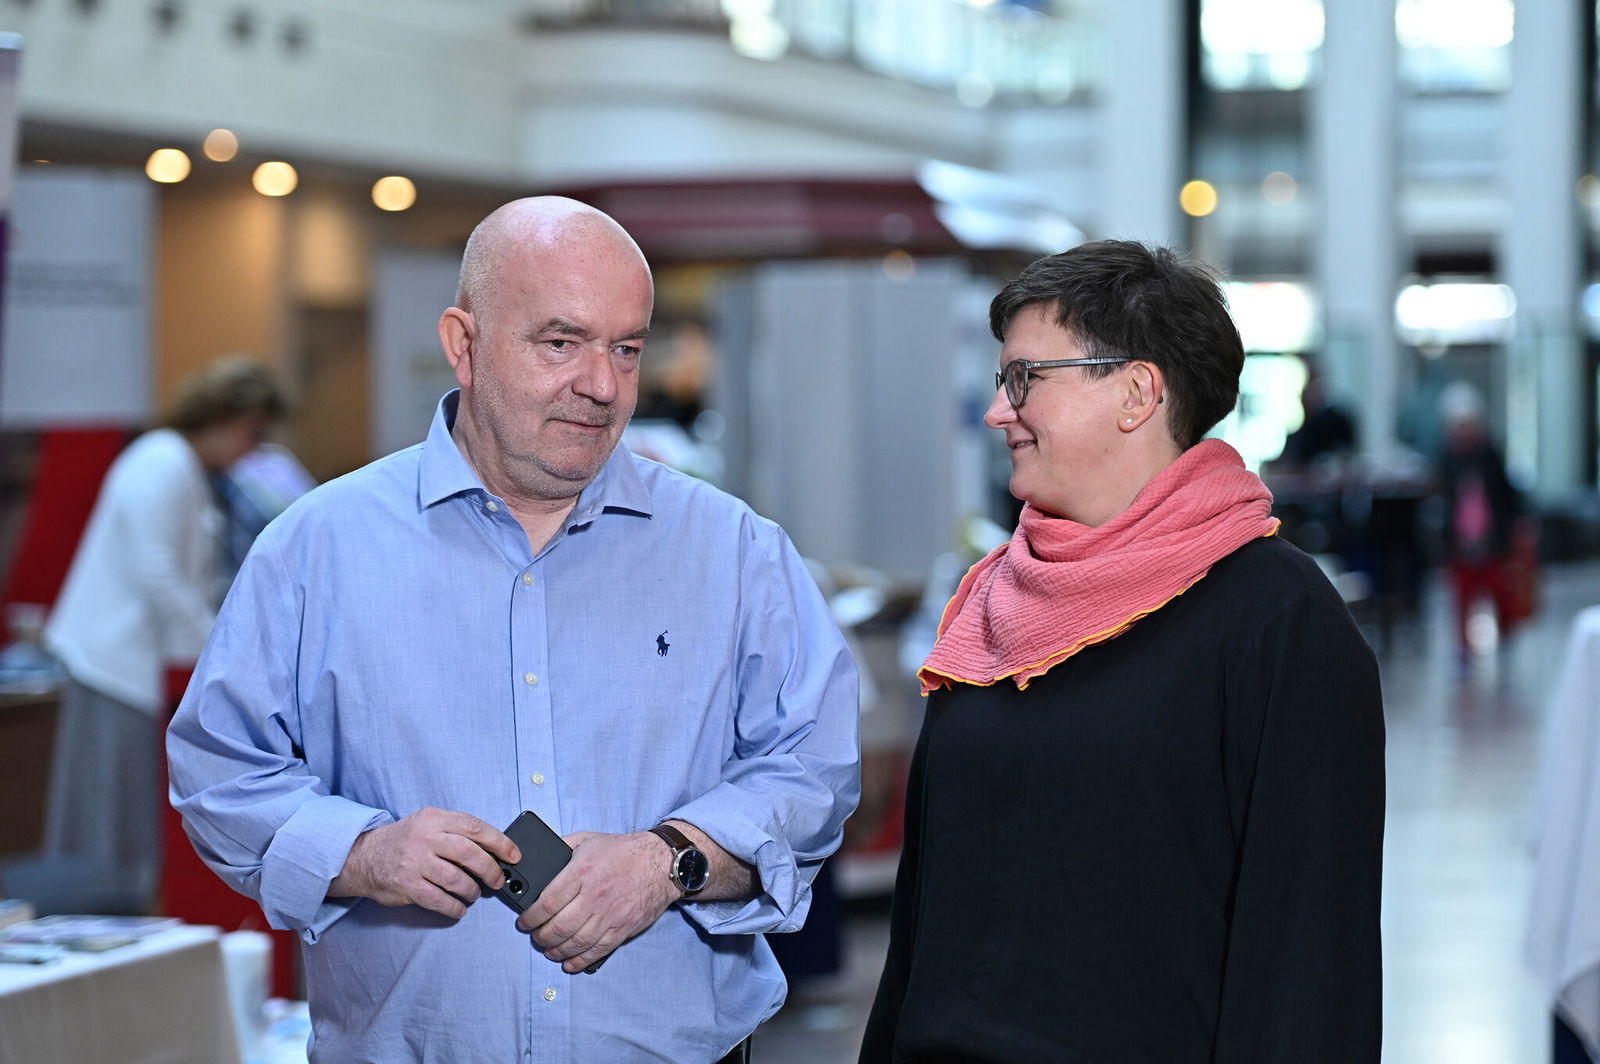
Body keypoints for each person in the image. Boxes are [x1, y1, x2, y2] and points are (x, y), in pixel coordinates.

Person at [166, 197, 861, 1063]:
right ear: (462, 344)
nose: (603, 386)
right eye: (561, 343)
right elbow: (219, 772)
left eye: (627, 348)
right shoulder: (316, 551)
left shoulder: (734, 551)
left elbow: (812, 767)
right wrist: (365, 853)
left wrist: (669, 860)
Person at [860, 241, 1385, 1062]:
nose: (1000, 410)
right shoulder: (994, 599)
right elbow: (925, 917)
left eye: (1026, 378)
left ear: (1137, 393)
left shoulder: (1275, 617)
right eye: (1004, 380)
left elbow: (1310, 959)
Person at [40, 354, 287, 914]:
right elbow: (159, 576)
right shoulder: (162, 461)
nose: (251, 451)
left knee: (127, 817)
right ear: (224, 417)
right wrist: (215, 658)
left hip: (136, 664)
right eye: (251, 433)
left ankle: (117, 922)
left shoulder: (183, 469)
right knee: (109, 819)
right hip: (113, 665)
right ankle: (97, 926)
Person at [1435, 381, 1526, 657]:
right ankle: (1463, 650)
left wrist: (1517, 528)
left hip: (1492, 538)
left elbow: (1509, 496)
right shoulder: (1445, 459)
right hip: (1460, 540)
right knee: (1462, 597)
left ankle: (1506, 641)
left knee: (1499, 591)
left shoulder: (1490, 455)